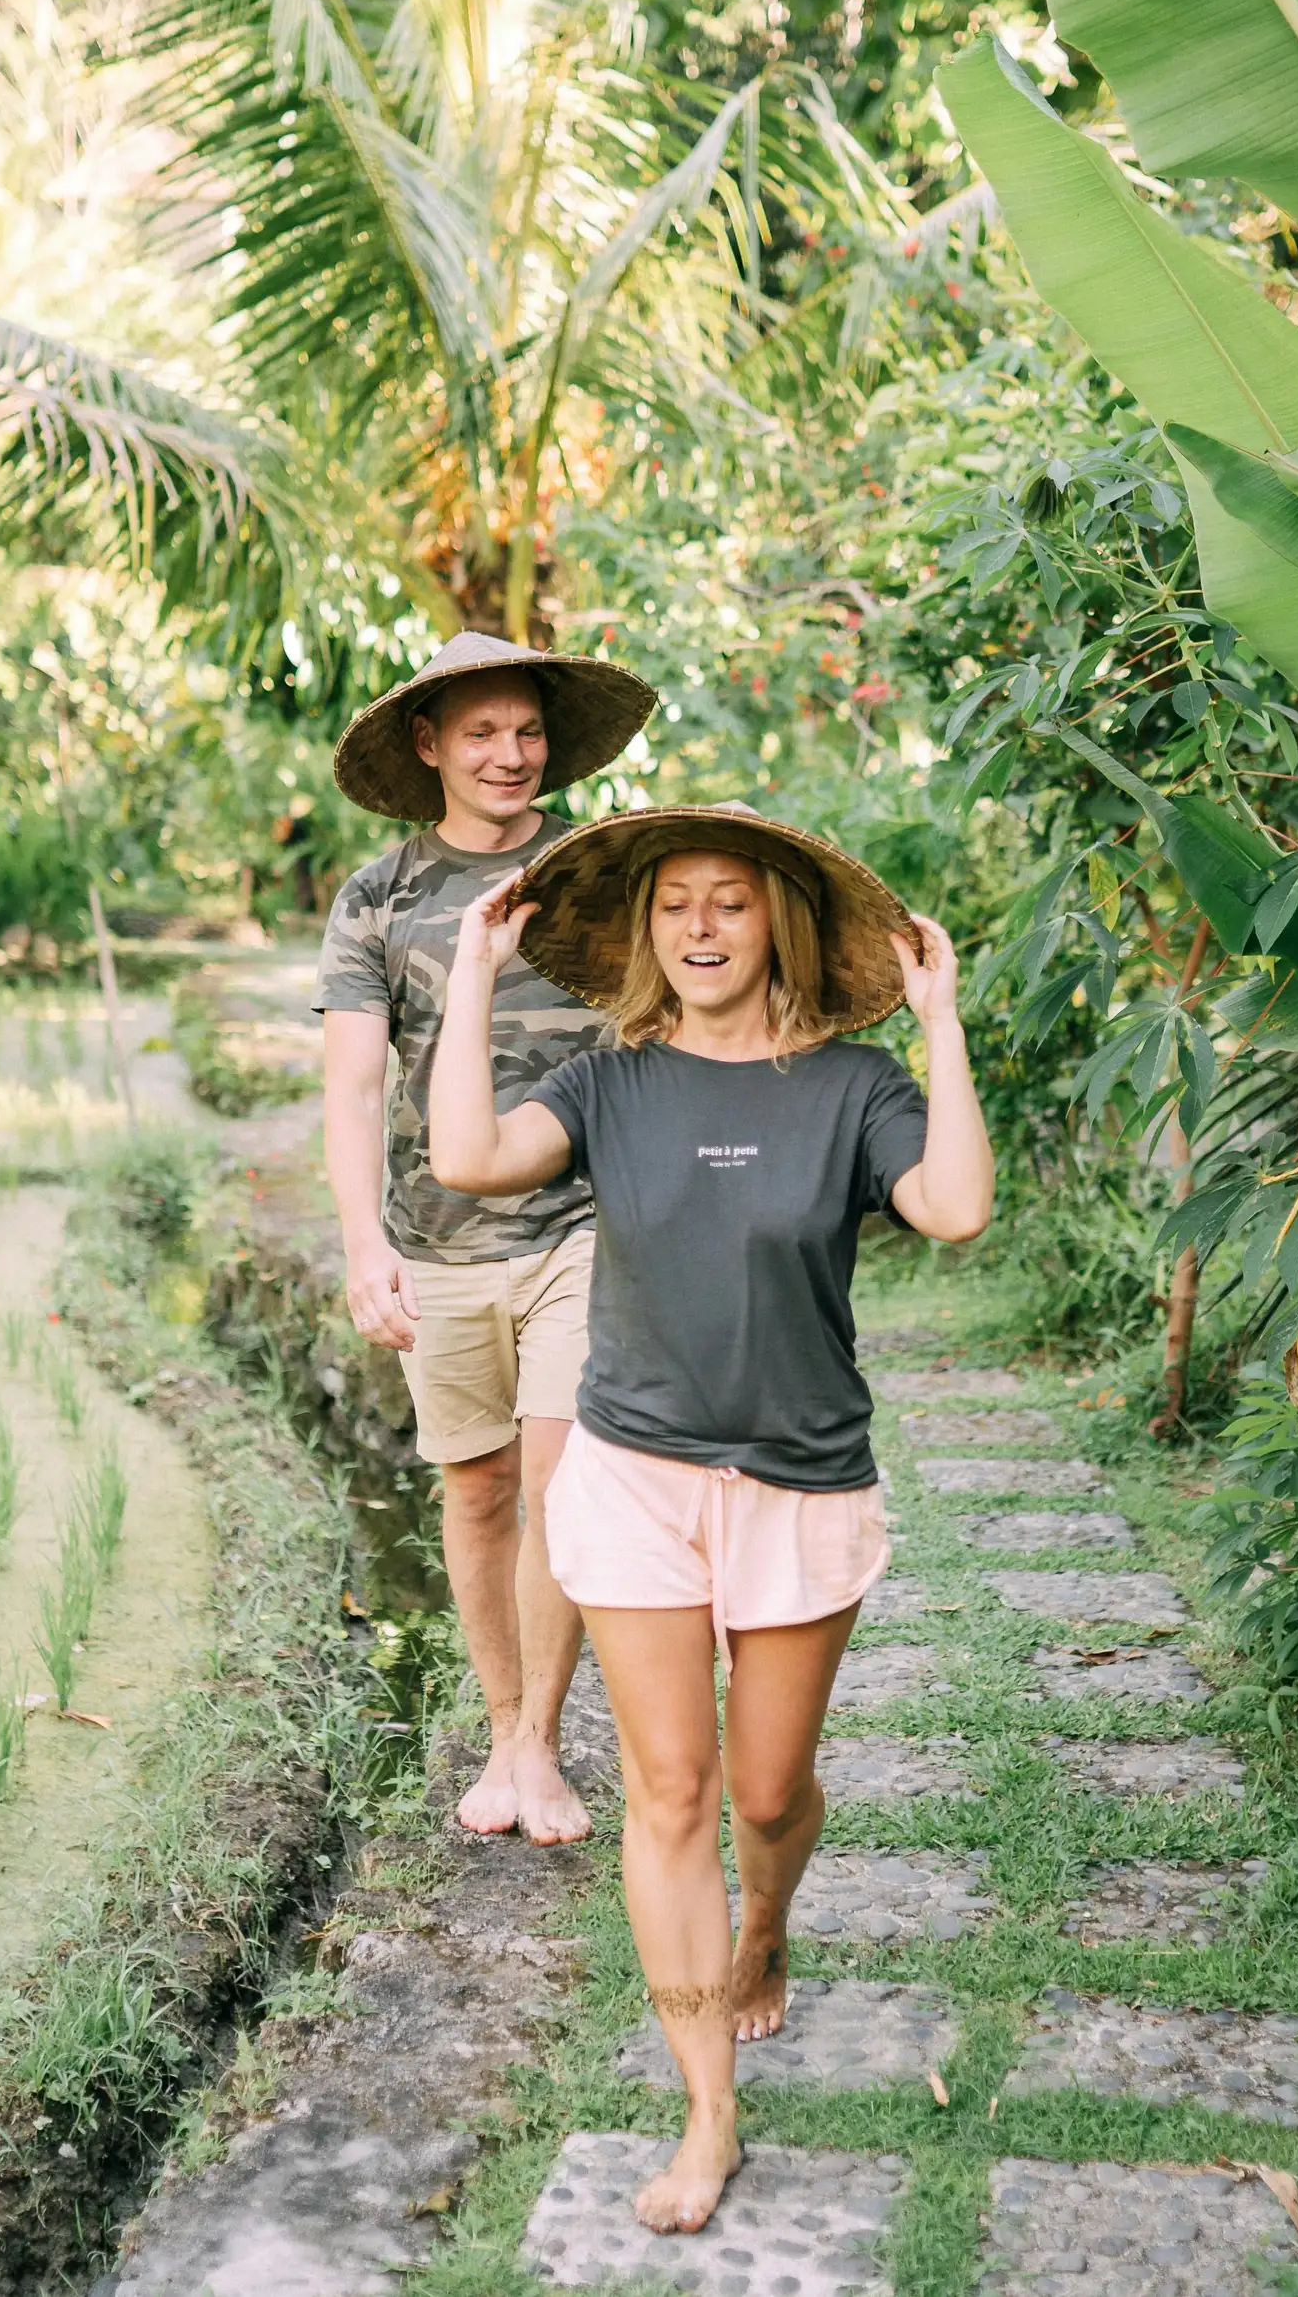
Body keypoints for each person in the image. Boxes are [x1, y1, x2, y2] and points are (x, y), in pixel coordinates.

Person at [429, 803, 993, 2234]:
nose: (699, 927)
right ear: (644, 932)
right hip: (633, 1474)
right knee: (670, 1790)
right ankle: (706, 2111)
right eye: (675, 904)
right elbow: (467, 1159)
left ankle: (769, 1920)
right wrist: (478, 979)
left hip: (802, 1480)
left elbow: (959, 1206)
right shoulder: (611, 1081)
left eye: (729, 903)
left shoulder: (855, 1085)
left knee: (763, 1794)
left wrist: (942, 1023)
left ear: (775, 925)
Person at [313, 629, 657, 1845]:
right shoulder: (380, 897)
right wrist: (364, 1244)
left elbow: (662, 1029)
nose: (511, 755)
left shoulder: (601, 873)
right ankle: (505, 1722)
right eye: (481, 735)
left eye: (526, 732)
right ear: (429, 746)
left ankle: (534, 1745)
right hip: (440, 1239)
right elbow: (355, 1087)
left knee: (563, 1493)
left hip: (583, 1227)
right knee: (477, 1492)